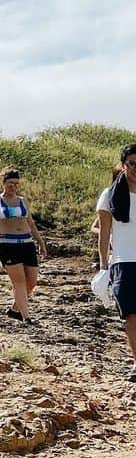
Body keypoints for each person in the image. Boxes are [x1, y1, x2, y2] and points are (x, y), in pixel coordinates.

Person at [0, 168, 48, 323]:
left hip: (27, 243)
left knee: (32, 281)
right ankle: (26, 317)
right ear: (3, 183)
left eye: (16, 184)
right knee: (19, 282)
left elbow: (30, 223)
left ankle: (15, 309)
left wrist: (41, 242)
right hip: (7, 244)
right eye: (10, 183)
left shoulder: (23, 201)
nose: (13, 186)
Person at [95, 143, 136, 382]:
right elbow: (104, 232)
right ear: (123, 165)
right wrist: (103, 265)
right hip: (123, 261)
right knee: (131, 315)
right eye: (132, 164)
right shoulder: (109, 195)